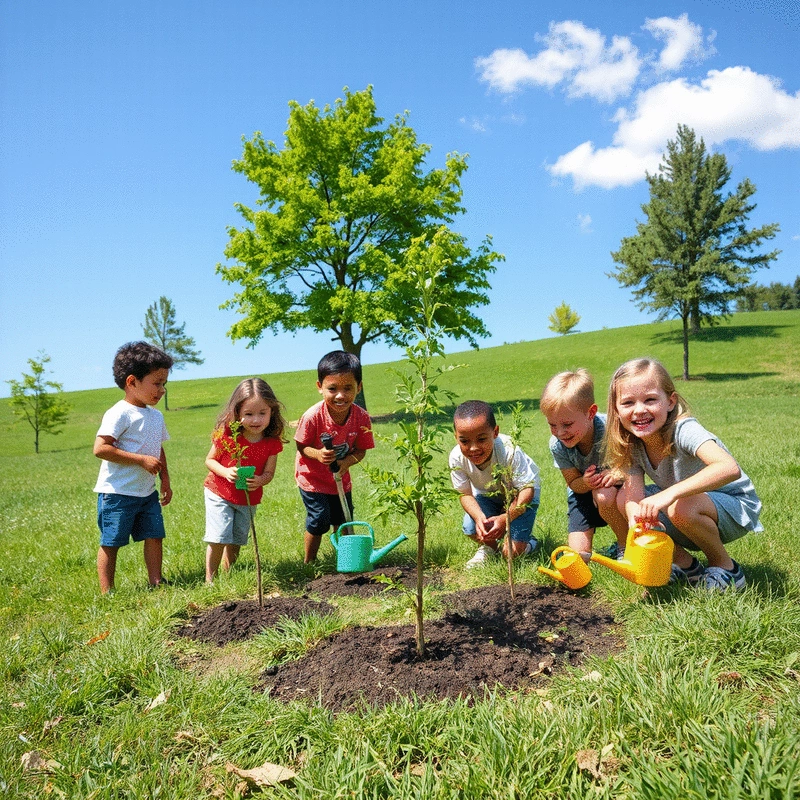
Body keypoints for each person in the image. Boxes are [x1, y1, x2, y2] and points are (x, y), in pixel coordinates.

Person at [605, 357, 762, 591]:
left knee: (681, 505)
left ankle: (727, 570)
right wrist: (636, 521)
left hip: (736, 507)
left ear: (670, 402)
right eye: (628, 403)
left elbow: (729, 468)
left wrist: (669, 494)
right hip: (691, 506)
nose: (639, 410)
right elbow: (633, 495)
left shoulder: (684, 430)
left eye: (650, 399)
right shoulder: (633, 443)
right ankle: (687, 567)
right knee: (625, 500)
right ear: (616, 410)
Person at [93, 341, 174, 594]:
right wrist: (140, 460)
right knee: (112, 541)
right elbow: (101, 448)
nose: (162, 390)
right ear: (132, 381)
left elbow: (158, 449)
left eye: (164, 384)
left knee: (154, 535)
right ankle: (107, 591)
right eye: (157, 383)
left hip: (146, 492)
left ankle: (156, 581)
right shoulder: (119, 413)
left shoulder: (156, 416)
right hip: (117, 493)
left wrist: (165, 479)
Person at [295, 351, 375, 563]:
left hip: (339, 479)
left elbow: (361, 451)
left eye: (348, 388)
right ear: (320, 387)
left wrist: (345, 463)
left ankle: (347, 561)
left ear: (359, 387)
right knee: (319, 520)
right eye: (332, 389)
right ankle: (309, 563)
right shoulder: (312, 416)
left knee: (344, 520)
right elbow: (301, 446)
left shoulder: (361, 417)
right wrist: (318, 454)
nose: (340, 395)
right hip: (312, 479)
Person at [203, 378, 286, 583]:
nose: (256, 420)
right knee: (219, 535)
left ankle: (228, 573)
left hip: (248, 498)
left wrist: (260, 480)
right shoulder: (228, 434)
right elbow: (210, 460)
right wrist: (225, 472)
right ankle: (210, 580)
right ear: (237, 412)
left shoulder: (271, 442)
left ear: (272, 411)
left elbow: (269, 473)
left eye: (262, 413)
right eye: (248, 414)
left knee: (237, 538)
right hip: (219, 492)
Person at [540, 369, 627, 562]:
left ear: (591, 413)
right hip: (582, 494)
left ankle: (624, 545)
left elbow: (634, 464)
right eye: (552, 425)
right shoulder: (557, 445)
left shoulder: (611, 429)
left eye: (567, 424)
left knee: (604, 495)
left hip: (615, 491)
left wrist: (617, 474)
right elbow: (573, 483)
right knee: (578, 557)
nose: (560, 432)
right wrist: (586, 483)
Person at [450, 400, 541, 569]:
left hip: (520, 495)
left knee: (512, 554)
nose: (473, 448)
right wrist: (479, 517)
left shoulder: (509, 450)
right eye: (464, 441)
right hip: (487, 494)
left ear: (495, 432)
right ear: (456, 437)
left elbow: (527, 490)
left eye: (481, 439)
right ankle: (492, 548)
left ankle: (530, 543)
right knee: (471, 529)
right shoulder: (456, 458)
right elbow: (465, 494)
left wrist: (505, 518)